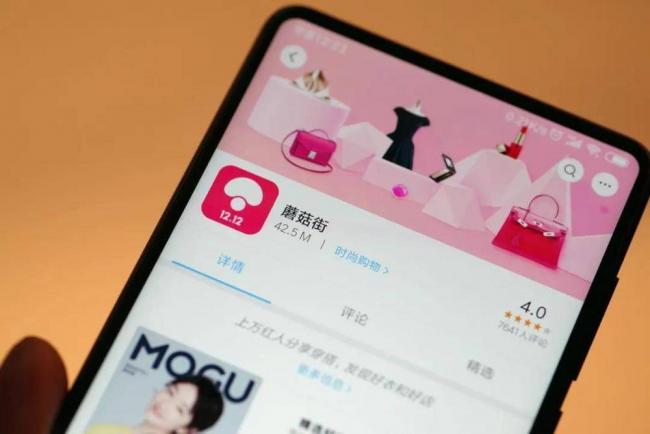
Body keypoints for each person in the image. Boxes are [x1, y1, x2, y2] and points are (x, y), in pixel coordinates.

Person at [0, 338, 224, 434]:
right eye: (171, 391)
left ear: (188, 430)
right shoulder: (102, 430)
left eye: (180, 409)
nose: (165, 403)